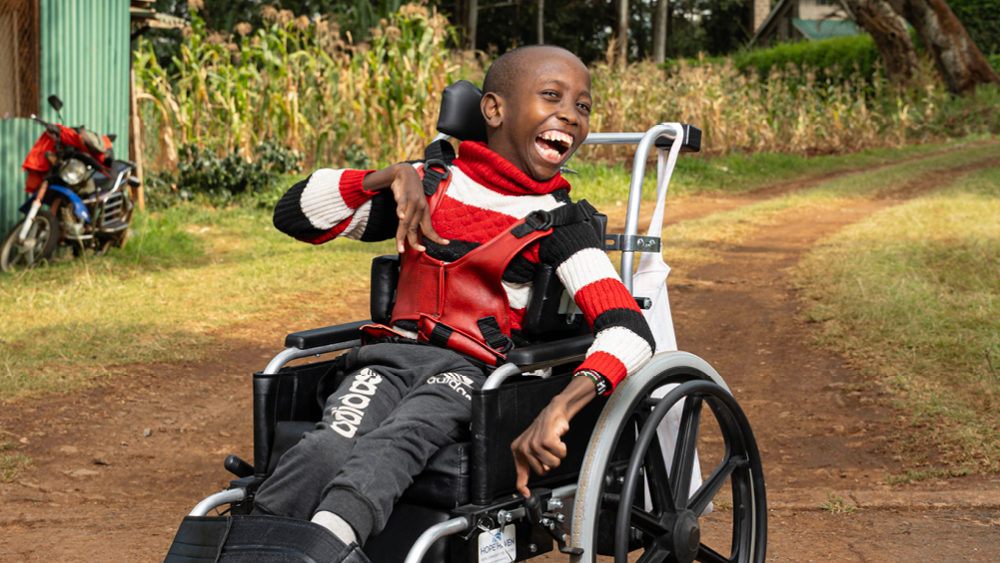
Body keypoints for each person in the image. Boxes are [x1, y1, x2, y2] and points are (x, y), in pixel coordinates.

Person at [253, 45, 655, 555]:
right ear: (493, 110)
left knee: (394, 443)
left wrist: (561, 405)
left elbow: (628, 329)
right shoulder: (428, 185)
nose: (570, 116)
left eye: (582, 106)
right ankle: (255, 539)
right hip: (390, 357)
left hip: (473, 374)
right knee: (328, 445)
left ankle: (329, 544)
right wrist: (392, 174)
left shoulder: (563, 223)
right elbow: (294, 213)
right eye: (552, 96)